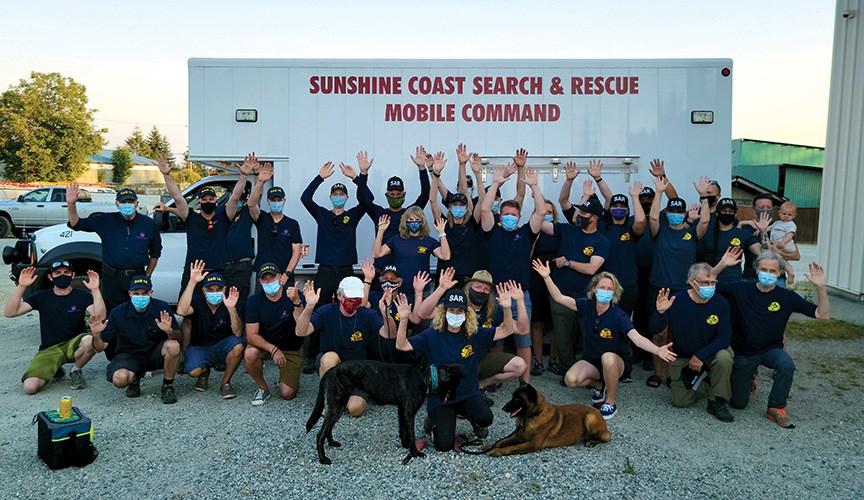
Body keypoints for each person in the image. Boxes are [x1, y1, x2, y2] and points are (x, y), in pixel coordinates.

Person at [533, 261, 675, 420]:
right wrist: (546, 277)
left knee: (607, 357)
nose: (605, 291)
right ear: (594, 289)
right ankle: (600, 386)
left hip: (616, 363)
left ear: (614, 293)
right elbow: (559, 298)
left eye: (609, 289)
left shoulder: (618, 315)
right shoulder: (586, 306)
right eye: (602, 287)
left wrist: (657, 350)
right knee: (570, 379)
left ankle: (610, 401)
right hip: (592, 361)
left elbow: (637, 338)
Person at [712, 249, 830, 428]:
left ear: (780, 273)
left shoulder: (787, 297)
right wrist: (721, 265)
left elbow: (822, 315)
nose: (767, 274)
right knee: (738, 403)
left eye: (773, 271)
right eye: (764, 269)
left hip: (770, 350)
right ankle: (749, 376)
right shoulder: (741, 288)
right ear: (756, 270)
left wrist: (821, 288)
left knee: (786, 364)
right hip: (744, 351)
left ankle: (776, 407)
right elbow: (707, 283)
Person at [395, 287, 516, 451]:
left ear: (467, 314)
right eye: (451, 310)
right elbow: (401, 345)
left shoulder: (474, 334)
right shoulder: (432, 335)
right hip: (440, 397)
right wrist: (403, 319)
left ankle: (470, 417)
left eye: (460, 311)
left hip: (468, 392)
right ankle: (433, 422)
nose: (455, 314)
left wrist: (507, 308)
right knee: (443, 445)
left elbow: (507, 330)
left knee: (486, 418)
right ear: (443, 312)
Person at [480, 161, 545, 382]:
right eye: (505, 213)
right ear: (501, 216)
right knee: (496, 340)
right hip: (494, 296)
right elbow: (484, 209)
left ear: (519, 217)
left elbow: (541, 211)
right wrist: (495, 184)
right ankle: (497, 380)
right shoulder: (491, 232)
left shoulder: (527, 233)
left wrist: (535, 187)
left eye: (513, 214)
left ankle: (524, 384)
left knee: (523, 341)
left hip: (520, 296)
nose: (509, 217)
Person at [644, 175, 712, 388]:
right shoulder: (660, 231)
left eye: (678, 211)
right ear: (668, 213)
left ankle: (671, 375)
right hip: (659, 289)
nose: (675, 214)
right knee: (659, 333)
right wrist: (659, 192)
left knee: (676, 335)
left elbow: (706, 221)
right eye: (671, 211)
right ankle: (658, 374)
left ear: (684, 214)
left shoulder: (691, 233)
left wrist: (703, 197)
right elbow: (653, 219)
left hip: (682, 291)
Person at [300, 161, 368, 372]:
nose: (338, 196)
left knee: (350, 309)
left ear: (346, 198)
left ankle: (350, 352)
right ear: (331, 197)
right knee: (316, 311)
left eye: (342, 194)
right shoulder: (322, 214)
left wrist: (358, 178)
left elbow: (368, 201)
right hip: (326, 270)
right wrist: (320, 178)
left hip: (347, 270)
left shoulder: (353, 215)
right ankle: (311, 357)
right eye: (335, 194)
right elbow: (305, 198)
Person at [650, 263, 735, 422]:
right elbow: (654, 328)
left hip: (711, 352)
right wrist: (660, 312)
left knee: (724, 357)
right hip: (684, 355)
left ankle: (717, 400)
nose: (710, 286)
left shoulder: (721, 302)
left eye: (712, 283)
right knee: (679, 402)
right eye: (705, 283)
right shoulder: (677, 300)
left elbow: (724, 337)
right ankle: (707, 383)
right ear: (691, 282)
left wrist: (701, 355)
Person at [295, 277, 391, 417]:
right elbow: (301, 332)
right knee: (329, 358)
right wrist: (309, 307)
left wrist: (386, 313)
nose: (354, 302)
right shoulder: (326, 311)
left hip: (357, 371)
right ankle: (328, 400)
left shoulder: (367, 314)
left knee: (355, 410)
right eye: (350, 297)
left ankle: (345, 394)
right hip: (333, 364)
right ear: (339, 295)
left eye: (357, 298)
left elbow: (389, 334)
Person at [4, 262, 104, 394]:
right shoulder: (41, 297)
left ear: (72, 275)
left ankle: (76, 370)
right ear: (51, 277)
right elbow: (10, 312)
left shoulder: (82, 296)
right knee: (30, 388)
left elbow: (100, 317)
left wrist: (95, 290)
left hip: (73, 344)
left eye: (66, 272)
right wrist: (22, 286)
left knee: (88, 340)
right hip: (49, 349)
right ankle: (55, 369)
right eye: (58, 273)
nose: (62, 275)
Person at [158, 155, 247, 299]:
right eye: (204, 200)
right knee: (187, 314)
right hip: (193, 272)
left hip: (217, 272)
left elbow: (235, 197)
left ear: (217, 202)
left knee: (217, 312)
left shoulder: (224, 216)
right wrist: (167, 175)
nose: (208, 202)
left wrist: (243, 175)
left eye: (211, 199)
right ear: (198, 203)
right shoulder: (190, 216)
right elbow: (177, 197)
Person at [539, 196, 610, 376]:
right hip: (560, 295)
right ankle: (567, 369)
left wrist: (568, 263)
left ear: (593, 218)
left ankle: (589, 371)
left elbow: (592, 268)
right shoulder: (568, 230)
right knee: (562, 338)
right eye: (579, 211)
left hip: (586, 299)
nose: (579, 215)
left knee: (589, 337)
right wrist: (535, 190)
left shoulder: (601, 241)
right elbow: (541, 223)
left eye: (583, 213)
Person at [66, 183, 161, 316]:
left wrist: (148, 275)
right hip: (113, 277)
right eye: (123, 202)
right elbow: (76, 224)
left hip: (138, 277)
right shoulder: (106, 221)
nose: (127, 204)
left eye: (130, 201)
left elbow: (155, 252)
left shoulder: (148, 223)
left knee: (138, 312)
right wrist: (71, 204)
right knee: (113, 313)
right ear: (117, 204)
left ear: (136, 203)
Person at [89, 275, 182, 404]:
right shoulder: (118, 312)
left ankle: (167, 386)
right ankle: (134, 380)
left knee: (173, 346)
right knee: (119, 379)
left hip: (154, 354)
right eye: (136, 293)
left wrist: (169, 331)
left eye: (144, 293)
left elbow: (179, 339)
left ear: (151, 293)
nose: (140, 297)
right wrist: (96, 334)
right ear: (130, 294)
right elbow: (99, 347)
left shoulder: (162, 308)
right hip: (129, 355)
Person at [352, 148, 431, 271]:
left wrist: (422, 168)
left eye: (398, 194)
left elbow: (425, 194)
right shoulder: (378, 212)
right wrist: (363, 174)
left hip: (403, 268)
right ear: (386, 195)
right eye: (392, 194)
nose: (395, 197)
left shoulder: (410, 214)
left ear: (404, 195)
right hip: (381, 269)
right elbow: (362, 198)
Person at [176, 261, 245, 399]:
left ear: (224, 290)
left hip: (221, 346)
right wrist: (192, 282)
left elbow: (238, 333)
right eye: (210, 290)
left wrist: (232, 309)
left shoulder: (230, 302)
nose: (214, 293)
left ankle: (225, 383)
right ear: (204, 291)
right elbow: (181, 311)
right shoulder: (197, 301)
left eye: (218, 289)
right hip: (199, 347)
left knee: (238, 345)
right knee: (193, 372)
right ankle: (204, 372)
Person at [243, 263, 305, 406]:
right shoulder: (254, 301)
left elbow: (303, 327)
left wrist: (296, 301)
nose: (269, 282)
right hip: (266, 344)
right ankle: (263, 388)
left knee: (287, 394)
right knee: (250, 354)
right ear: (260, 282)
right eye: (265, 279)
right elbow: (251, 335)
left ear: (280, 277)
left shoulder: (294, 294)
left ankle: (287, 380)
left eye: (272, 278)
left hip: (291, 345)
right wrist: (273, 349)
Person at [372, 207, 450, 294]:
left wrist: (442, 233)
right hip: (399, 290)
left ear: (422, 221)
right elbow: (377, 254)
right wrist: (380, 231)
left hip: (422, 291)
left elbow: (445, 256)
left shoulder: (429, 241)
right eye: (411, 219)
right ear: (405, 221)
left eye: (417, 219)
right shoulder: (396, 240)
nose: (414, 222)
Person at [247, 161, 303, 282]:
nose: (276, 202)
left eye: (279, 200)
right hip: (264, 274)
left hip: (284, 275)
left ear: (284, 201)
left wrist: (287, 274)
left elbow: (296, 252)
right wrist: (260, 182)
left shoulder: (292, 224)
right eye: (273, 200)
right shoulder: (262, 218)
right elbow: (251, 204)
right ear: (268, 202)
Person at [528, 199, 561, 376]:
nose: (546, 214)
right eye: (543, 212)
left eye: (549, 212)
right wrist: (535, 236)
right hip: (536, 281)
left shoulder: (560, 232)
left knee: (557, 322)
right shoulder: (531, 232)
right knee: (537, 322)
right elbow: (526, 256)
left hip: (556, 281)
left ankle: (554, 361)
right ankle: (538, 362)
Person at [705, 198, 761, 282]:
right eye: (723, 211)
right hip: (710, 280)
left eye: (731, 211)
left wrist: (763, 231)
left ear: (735, 214)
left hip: (734, 280)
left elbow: (761, 252)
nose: (727, 213)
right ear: (717, 213)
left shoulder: (743, 233)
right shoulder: (706, 231)